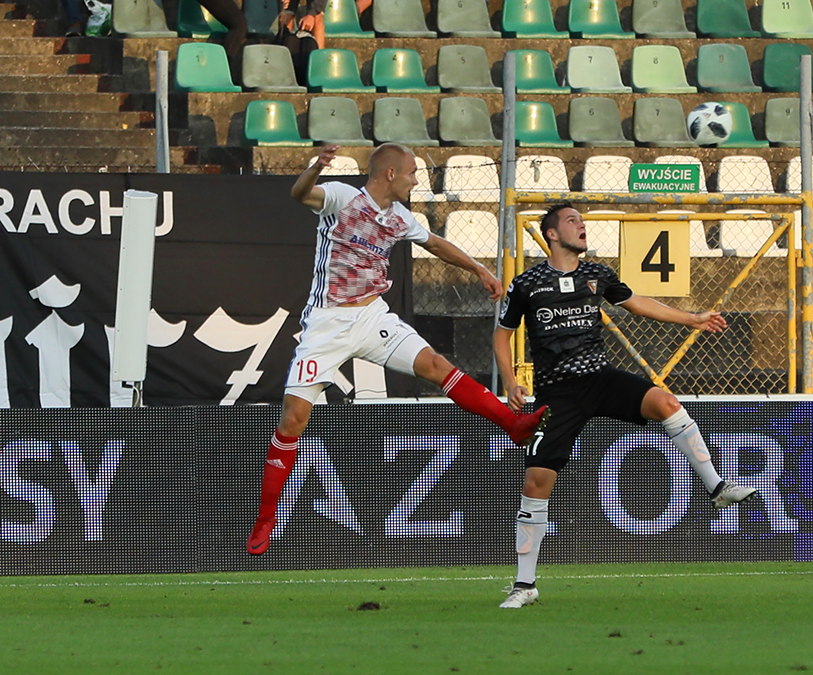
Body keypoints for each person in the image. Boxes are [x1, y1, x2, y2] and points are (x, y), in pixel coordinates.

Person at [247, 143, 550, 556]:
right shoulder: (342, 197)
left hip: (372, 316)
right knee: (293, 417)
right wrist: (315, 167)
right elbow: (300, 194)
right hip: (328, 322)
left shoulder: (400, 217)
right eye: (411, 173)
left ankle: (512, 424)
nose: (415, 181)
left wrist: (478, 268)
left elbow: (436, 244)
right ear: (390, 173)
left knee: (436, 365)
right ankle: (266, 517)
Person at [492, 202, 757, 609]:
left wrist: (692, 318)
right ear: (552, 234)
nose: (582, 226)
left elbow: (637, 302)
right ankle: (525, 585)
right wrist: (510, 382)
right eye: (572, 221)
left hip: (600, 379)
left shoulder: (597, 274)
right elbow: (502, 335)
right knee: (535, 483)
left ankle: (718, 488)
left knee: (666, 402)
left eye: (582, 220)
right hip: (556, 393)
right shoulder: (527, 284)